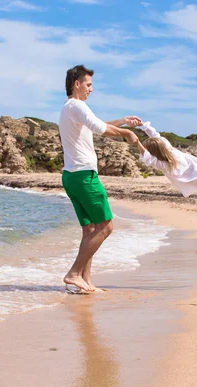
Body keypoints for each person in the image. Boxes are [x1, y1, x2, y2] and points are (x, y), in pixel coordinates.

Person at [59, 65, 140, 293]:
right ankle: (74, 273)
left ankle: (85, 282)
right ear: (77, 84)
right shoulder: (77, 105)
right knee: (106, 227)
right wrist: (127, 133)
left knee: (90, 230)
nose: (91, 89)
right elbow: (101, 128)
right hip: (84, 176)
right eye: (89, 84)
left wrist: (123, 121)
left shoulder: (70, 108)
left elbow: (97, 125)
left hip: (71, 177)